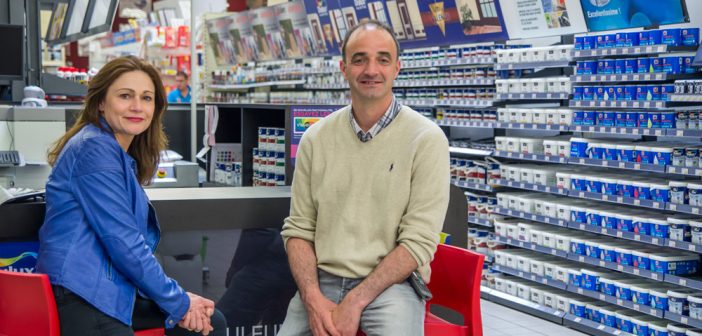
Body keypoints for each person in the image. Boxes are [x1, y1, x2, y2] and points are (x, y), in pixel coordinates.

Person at [278, 19, 450, 336]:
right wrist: (312, 297)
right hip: (323, 280)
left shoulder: (426, 140)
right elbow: (299, 230)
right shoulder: (315, 139)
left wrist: (356, 301)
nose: (371, 70)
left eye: (382, 59)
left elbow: (418, 242)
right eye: (360, 60)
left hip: (392, 286)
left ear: (397, 68)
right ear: (344, 68)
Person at [36, 56, 226, 336]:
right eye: (125, 96)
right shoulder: (95, 150)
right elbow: (123, 242)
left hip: (110, 291)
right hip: (83, 296)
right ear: (101, 102)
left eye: (146, 98)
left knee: (211, 323)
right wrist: (180, 301)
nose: (137, 106)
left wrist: (181, 302)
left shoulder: (115, 151)